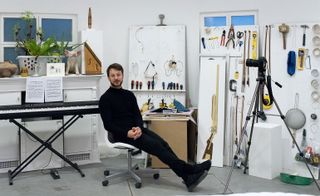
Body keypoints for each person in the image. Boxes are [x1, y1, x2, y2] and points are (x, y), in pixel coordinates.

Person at [99, 63, 211, 192]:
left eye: (118, 75)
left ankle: (187, 177)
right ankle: (189, 170)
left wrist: (140, 127)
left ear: (122, 75)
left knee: (163, 144)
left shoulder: (129, 95)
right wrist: (127, 133)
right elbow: (108, 124)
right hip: (121, 135)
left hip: (137, 131)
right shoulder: (105, 99)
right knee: (157, 147)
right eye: (113, 75)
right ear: (108, 78)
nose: (116, 78)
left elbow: (137, 115)